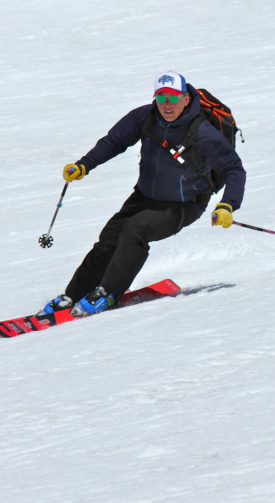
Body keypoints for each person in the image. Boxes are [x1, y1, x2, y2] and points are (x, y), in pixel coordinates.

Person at [37, 71, 246, 318]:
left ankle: (108, 293)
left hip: (183, 205)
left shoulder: (201, 132)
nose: (167, 104)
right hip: (145, 196)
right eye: (161, 97)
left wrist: (227, 205)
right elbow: (114, 142)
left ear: (186, 99)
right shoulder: (145, 117)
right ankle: (72, 295)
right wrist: (84, 165)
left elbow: (234, 169)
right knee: (110, 237)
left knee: (135, 229)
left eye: (174, 97)